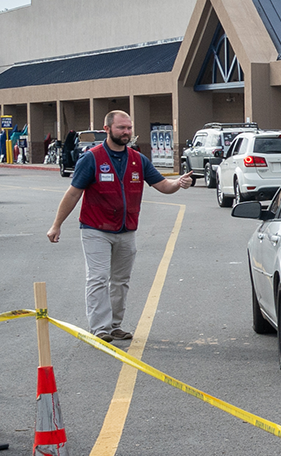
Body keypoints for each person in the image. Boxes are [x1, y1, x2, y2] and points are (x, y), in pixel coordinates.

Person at [44, 111, 194, 342]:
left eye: (129, 128)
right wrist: (56, 225)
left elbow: (163, 185)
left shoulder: (137, 159)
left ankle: (114, 326)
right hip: (95, 229)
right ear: (107, 129)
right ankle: (100, 329)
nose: (126, 132)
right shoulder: (92, 158)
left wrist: (179, 183)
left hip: (126, 229)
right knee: (98, 278)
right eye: (121, 128)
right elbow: (73, 193)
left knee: (121, 281)